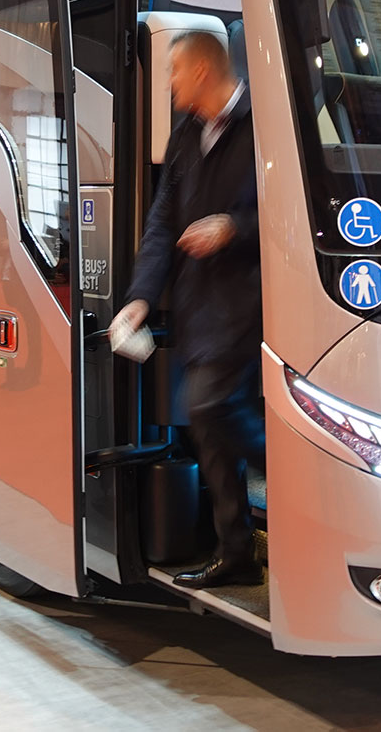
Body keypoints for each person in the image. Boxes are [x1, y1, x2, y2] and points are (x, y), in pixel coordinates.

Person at [111, 31, 263, 590]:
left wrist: (234, 228)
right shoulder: (184, 136)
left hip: (249, 306)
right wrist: (140, 298)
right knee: (211, 432)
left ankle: (316, 471)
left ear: (200, 71)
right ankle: (236, 552)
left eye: (174, 71)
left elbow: (294, 211)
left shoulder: (264, 124)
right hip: (200, 308)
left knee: (210, 407)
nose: (169, 83)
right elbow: (161, 224)